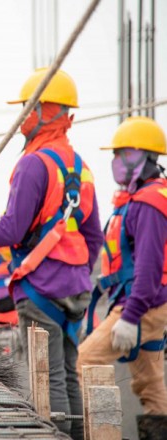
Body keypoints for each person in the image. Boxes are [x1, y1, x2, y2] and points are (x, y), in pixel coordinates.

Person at [0, 68, 103, 439]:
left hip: (40, 289)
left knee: (49, 380)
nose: (20, 120)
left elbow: (10, 231)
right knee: (69, 375)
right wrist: (76, 274)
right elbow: (92, 236)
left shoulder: (33, 164)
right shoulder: (80, 168)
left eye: (26, 110)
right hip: (75, 290)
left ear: (45, 111)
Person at [77, 116, 167, 437]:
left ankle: (97, 433)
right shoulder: (140, 200)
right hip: (148, 303)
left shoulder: (149, 203)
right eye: (116, 156)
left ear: (147, 158)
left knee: (86, 359)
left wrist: (130, 317)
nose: (117, 162)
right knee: (150, 382)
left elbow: (149, 269)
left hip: (143, 304)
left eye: (124, 155)